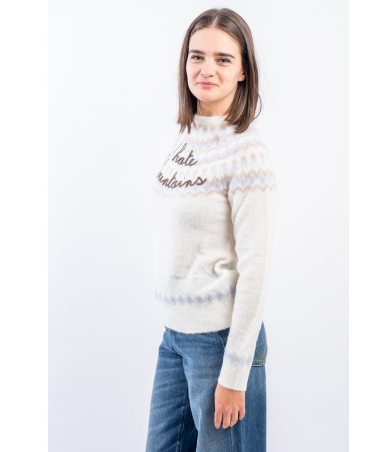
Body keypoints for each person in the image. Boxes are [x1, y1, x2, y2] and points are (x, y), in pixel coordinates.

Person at [145, 7, 277, 452]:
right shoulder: (182, 139)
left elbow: (256, 267)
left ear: (243, 71)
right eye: (197, 56)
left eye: (223, 59)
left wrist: (235, 373)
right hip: (174, 338)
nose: (206, 69)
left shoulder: (247, 153)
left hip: (220, 343)